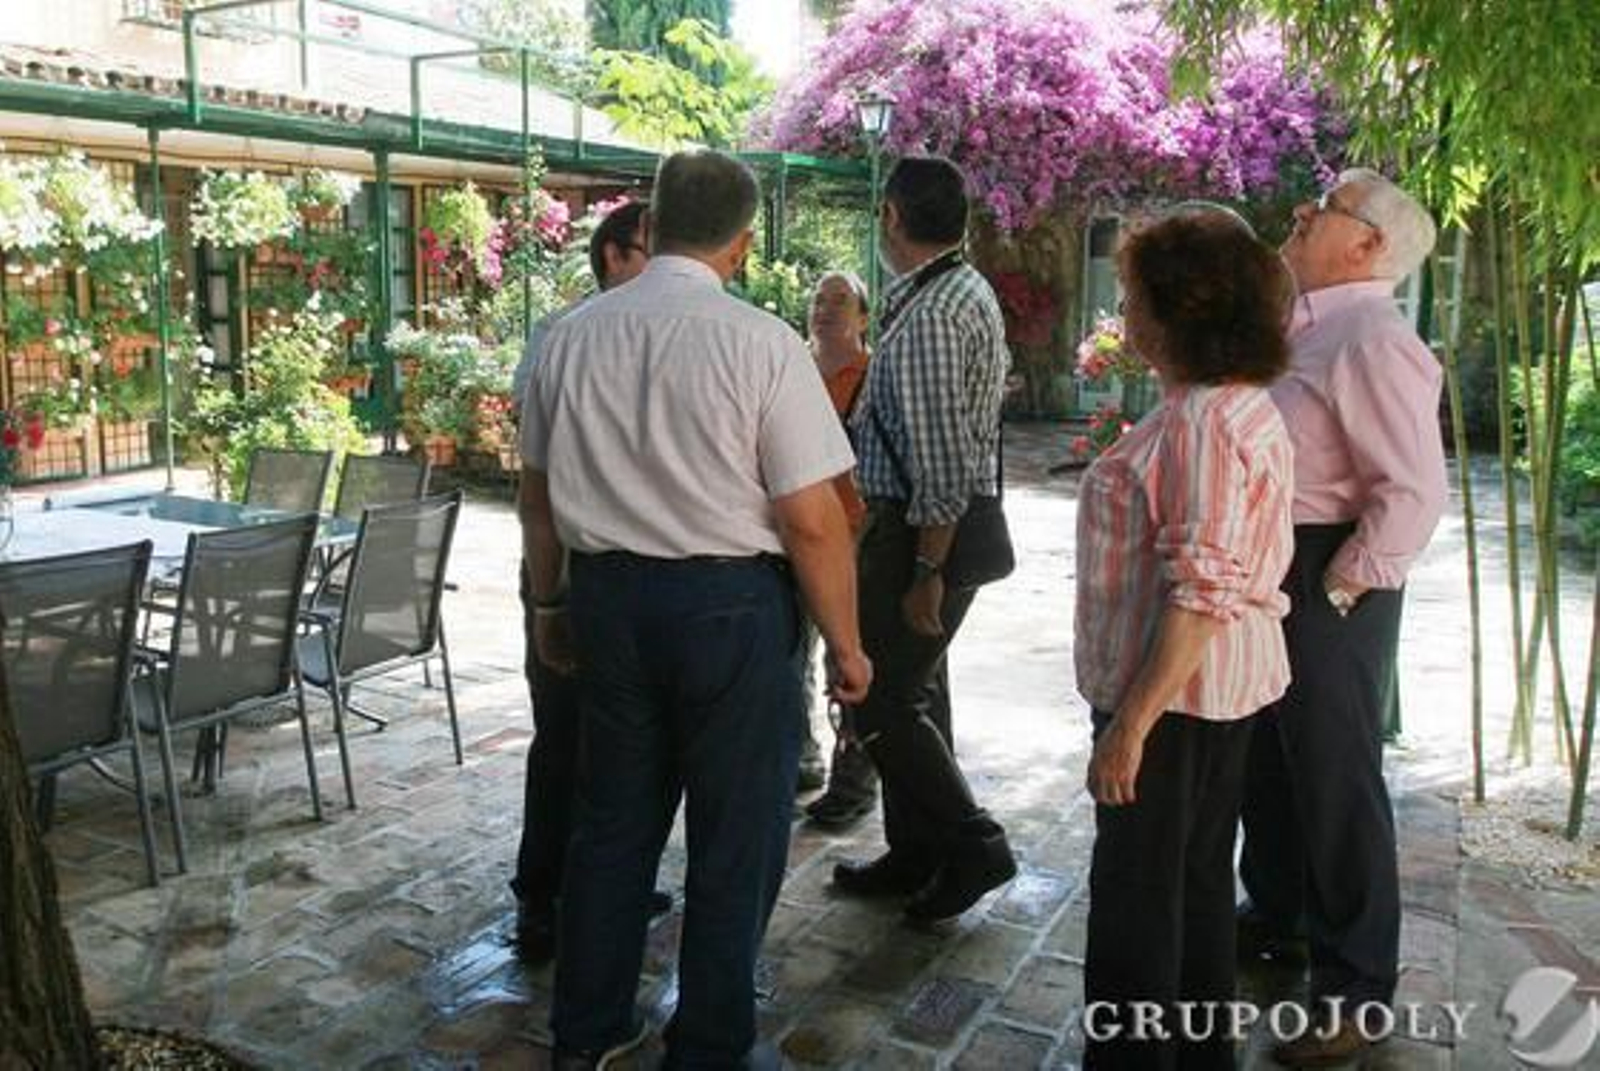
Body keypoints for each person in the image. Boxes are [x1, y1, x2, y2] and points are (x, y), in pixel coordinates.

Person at [521, 149, 872, 1070]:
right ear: (743, 243)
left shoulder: (568, 337)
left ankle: (587, 1031)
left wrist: (550, 604)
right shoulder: (763, 344)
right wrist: (847, 644)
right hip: (730, 611)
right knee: (737, 832)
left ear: (653, 223)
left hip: (607, 601)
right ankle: (709, 1042)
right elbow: (813, 520)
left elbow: (537, 499)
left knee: (612, 824)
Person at [1076, 208, 1295, 1070]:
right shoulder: (1241, 404)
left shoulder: (1205, 418)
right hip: (1215, 689)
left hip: (1175, 697)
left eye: (1133, 296)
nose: (1123, 313)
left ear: (1180, 310)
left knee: (1138, 904)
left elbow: (1202, 586)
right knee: (1196, 888)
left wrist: (1131, 723)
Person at [1237, 169, 1448, 1067]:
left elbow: (1414, 491)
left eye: (1325, 207)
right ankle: (1278, 911)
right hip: (1283, 562)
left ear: (1369, 243)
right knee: (1268, 754)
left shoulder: (1372, 336)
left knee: (1333, 776)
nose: (1302, 212)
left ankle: (1356, 989)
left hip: (1329, 565)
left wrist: (1341, 586)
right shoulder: (1309, 322)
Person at [830, 155, 1016, 926]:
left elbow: (942, 460)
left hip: (919, 534)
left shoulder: (934, 313)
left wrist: (928, 569)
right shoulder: (957, 289)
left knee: (880, 697)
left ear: (892, 217)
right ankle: (917, 849)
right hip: (918, 528)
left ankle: (975, 845)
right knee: (920, 693)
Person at [510, 200, 658, 963]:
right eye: (649, 249)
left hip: (630, 577)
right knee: (564, 738)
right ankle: (541, 895)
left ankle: (610, 879)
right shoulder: (562, 337)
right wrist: (548, 598)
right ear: (612, 256)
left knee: (625, 744)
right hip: (566, 567)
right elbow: (537, 477)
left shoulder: (659, 336)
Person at [798, 270, 881, 827]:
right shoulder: (791, 369)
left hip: (855, 535)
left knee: (846, 656)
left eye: (840, 301)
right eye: (819, 299)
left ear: (863, 317)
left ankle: (853, 780)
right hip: (792, 530)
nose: (826, 309)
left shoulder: (876, 377)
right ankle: (800, 756)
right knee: (792, 653)